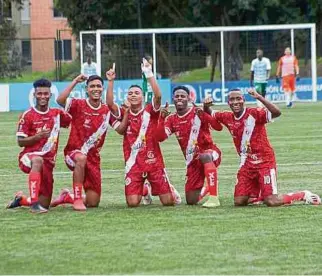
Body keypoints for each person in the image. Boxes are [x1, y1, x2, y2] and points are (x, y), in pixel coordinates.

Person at [203, 88, 320, 207]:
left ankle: (303, 195)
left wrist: (259, 97)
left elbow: (277, 113)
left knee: (272, 201)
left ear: (243, 100)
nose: (235, 102)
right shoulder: (226, 116)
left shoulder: (255, 114)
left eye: (238, 98)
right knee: (239, 201)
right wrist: (206, 106)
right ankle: (260, 194)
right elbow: (210, 113)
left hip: (265, 162)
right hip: (247, 164)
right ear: (228, 103)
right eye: (232, 99)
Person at [105, 59, 181, 207]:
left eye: (137, 93)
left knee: (168, 202)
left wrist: (149, 73)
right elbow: (109, 104)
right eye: (130, 93)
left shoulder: (149, 111)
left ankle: (167, 187)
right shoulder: (123, 112)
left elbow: (158, 96)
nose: (133, 95)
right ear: (127, 97)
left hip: (154, 162)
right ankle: (145, 189)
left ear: (142, 97)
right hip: (133, 163)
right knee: (133, 203)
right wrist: (110, 81)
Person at [50, 74, 128, 211]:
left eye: (98, 86)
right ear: (86, 89)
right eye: (92, 86)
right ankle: (78, 200)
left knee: (93, 202)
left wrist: (126, 113)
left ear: (102, 89)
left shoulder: (106, 110)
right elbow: (60, 99)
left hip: (93, 160)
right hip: (73, 154)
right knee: (81, 158)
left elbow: (121, 130)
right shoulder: (78, 104)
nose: (95, 89)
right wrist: (74, 80)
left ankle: (68, 196)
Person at [6, 79, 71, 213]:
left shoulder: (57, 114)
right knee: (37, 159)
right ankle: (34, 204)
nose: (43, 96)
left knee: (45, 204)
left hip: (48, 162)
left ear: (50, 95)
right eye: (39, 93)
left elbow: (73, 121)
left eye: (45, 94)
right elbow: (20, 141)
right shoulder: (28, 115)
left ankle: (22, 200)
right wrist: (37, 137)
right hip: (28, 158)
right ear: (34, 95)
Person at [155, 86, 223, 208]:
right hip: (192, 161)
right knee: (191, 200)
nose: (179, 98)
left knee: (205, 155)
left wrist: (206, 110)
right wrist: (161, 118)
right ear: (173, 99)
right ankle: (207, 188)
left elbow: (218, 127)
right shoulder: (172, 119)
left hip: (211, 153)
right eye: (177, 96)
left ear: (189, 98)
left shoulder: (197, 112)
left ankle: (214, 198)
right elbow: (160, 138)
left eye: (183, 96)